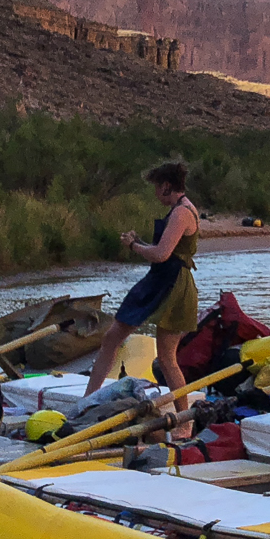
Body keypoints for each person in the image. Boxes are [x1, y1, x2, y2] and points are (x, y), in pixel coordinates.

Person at [85, 159, 198, 395]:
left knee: (166, 359)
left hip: (172, 286)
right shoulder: (181, 209)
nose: (156, 194)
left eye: (157, 188)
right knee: (112, 338)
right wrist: (140, 243)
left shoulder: (181, 214)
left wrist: (134, 245)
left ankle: (183, 422)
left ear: (167, 186)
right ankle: (88, 399)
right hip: (160, 280)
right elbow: (168, 252)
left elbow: (161, 254)